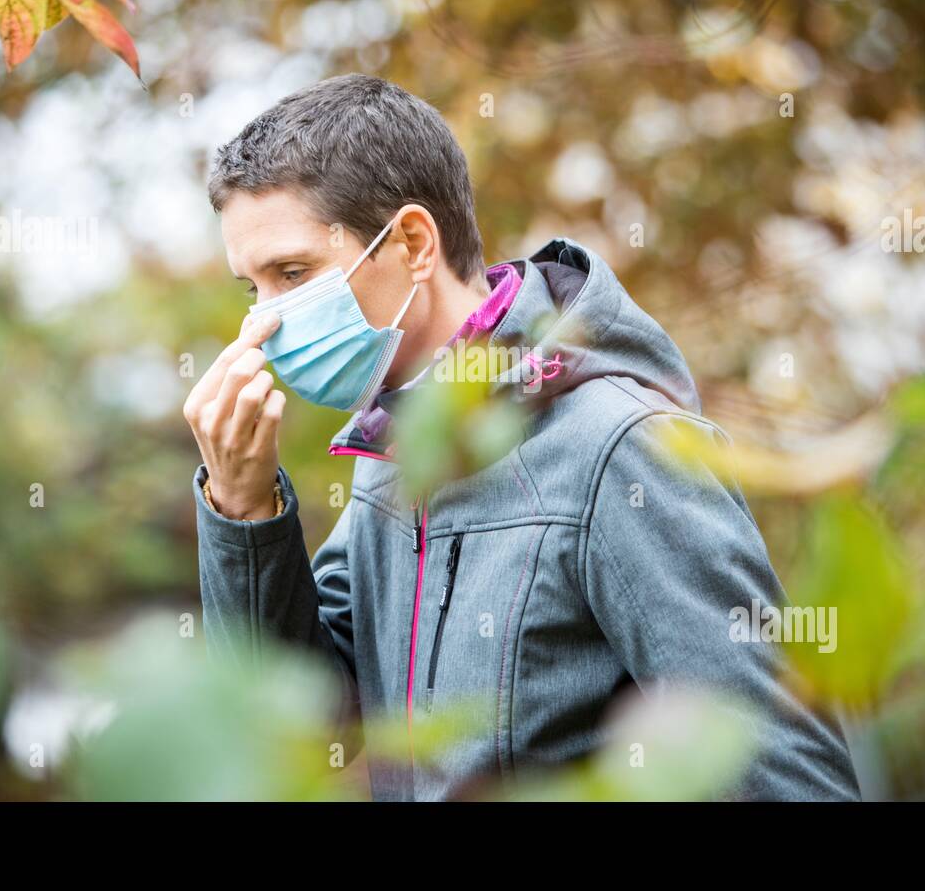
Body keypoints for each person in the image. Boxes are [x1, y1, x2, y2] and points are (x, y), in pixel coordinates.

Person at [184, 73, 861, 801]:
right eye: (252, 287)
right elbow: (303, 724)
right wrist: (243, 508)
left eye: (293, 272)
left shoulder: (621, 447)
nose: (263, 324)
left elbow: (787, 776)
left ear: (413, 242)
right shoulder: (394, 452)